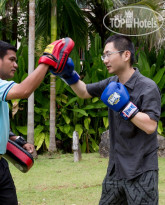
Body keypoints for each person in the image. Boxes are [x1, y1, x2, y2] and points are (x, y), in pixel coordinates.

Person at [0, 38, 74, 205]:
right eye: (11, 60)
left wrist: (17, 141)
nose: (16, 65)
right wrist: (47, 61)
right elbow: (24, 91)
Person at [53, 34, 161, 205]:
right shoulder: (111, 83)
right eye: (104, 55)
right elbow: (83, 92)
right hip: (115, 171)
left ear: (126, 55)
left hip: (141, 171)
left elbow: (150, 125)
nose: (105, 60)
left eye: (108, 54)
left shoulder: (147, 86)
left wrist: (125, 106)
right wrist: (68, 75)